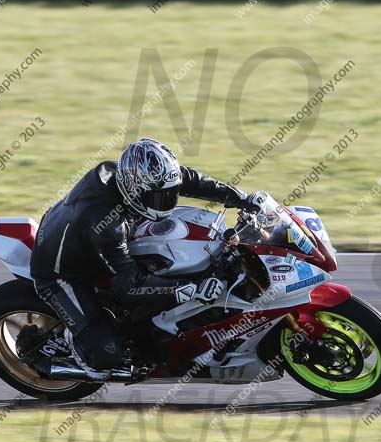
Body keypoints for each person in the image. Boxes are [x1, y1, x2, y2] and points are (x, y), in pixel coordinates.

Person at [29, 138, 260, 375]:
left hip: (99, 241)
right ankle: (53, 351)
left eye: (170, 194)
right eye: (160, 197)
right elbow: (128, 285)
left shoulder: (138, 177)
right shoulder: (106, 223)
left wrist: (240, 198)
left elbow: (189, 179)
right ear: (134, 190)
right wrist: (189, 288)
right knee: (106, 355)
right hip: (63, 274)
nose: (168, 201)